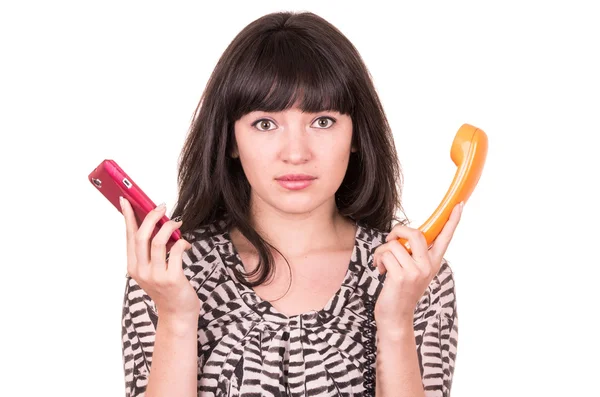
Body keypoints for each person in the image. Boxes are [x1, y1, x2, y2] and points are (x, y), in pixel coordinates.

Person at [120, 10, 461, 397]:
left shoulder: (413, 276)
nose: (296, 153)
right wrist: (177, 318)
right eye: (265, 123)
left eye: (322, 121)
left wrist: (397, 322)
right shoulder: (169, 275)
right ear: (231, 139)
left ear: (355, 134)